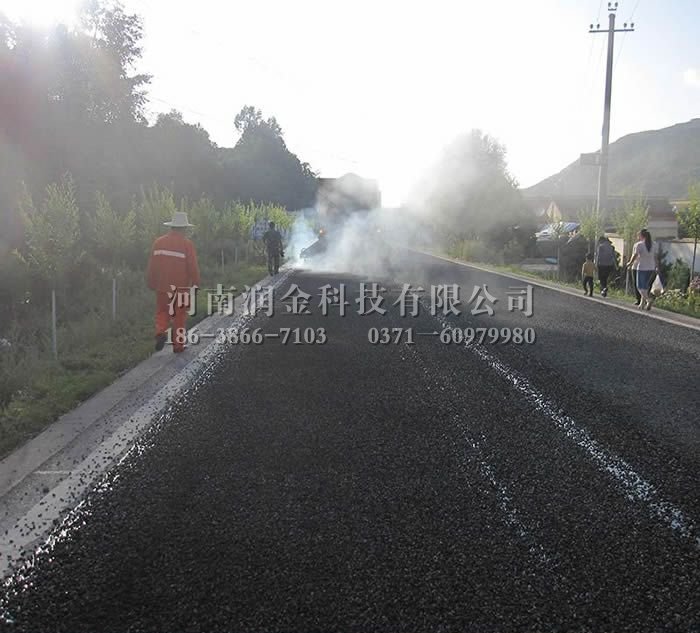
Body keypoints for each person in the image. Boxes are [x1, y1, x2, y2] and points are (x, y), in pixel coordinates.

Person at [146, 211, 200, 353]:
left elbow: (152, 265)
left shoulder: (158, 242)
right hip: (181, 288)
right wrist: (195, 283)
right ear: (184, 228)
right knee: (179, 316)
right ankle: (178, 345)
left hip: (162, 286)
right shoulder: (187, 244)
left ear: (172, 226)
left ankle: (160, 332)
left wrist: (151, 282)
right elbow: (192, 266)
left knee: (162, 311)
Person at [626, 228, 659, 311]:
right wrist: (657, 266)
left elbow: (635, 255)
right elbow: (655, 257)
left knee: (640, 286)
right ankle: (642, 303)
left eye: (638, 235)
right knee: (645, 287)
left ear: (641, 236)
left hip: (642, 268)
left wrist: (630, 262)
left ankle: (648, 300)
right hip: (651, 267)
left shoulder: (639, 245)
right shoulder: (654, 244)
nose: (637, 237)